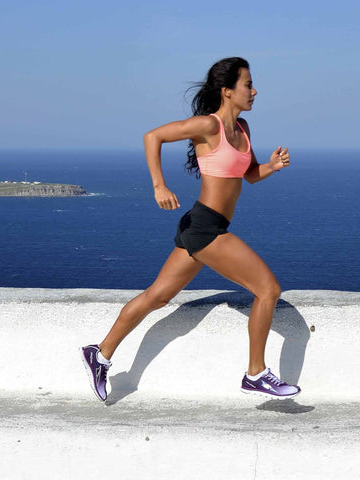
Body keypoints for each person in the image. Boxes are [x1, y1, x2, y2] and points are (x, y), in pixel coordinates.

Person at [81, 57, 297, 401]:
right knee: (268, 289)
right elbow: (153, 136)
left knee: (158, 296)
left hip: (203, 226)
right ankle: (256, 373)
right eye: (247, 85)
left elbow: (249, 174)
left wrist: (270, 166)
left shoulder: (243, 130)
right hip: (206, 229)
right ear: (227, 91)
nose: (254, 91)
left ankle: (100, 353)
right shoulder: (207, 126)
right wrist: (159, 186)